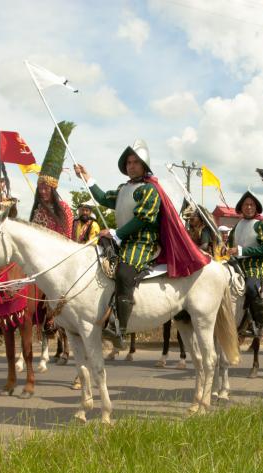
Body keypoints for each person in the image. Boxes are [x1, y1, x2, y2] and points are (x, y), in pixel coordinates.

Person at [74, 139, 208, 347]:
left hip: (142, 243)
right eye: (128, 163)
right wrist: (87, 177)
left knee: (124, 272)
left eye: (135, 162)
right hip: (122, 240)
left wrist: (116, 232)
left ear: (144, 165)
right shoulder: (123, 189)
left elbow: (143, 218)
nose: (131, 166)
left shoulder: (149, 190)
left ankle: (120, 329)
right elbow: (102, 198)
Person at [227, 192, 263, 336]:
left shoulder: (262, 225)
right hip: (237, 264)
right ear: (241, 207)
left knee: (251, 287)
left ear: (256, 207)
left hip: (256, 265)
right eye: (246, 204)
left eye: (251, 204)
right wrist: (225, 248)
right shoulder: (237, 225)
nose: (248, 207)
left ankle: (258, 323)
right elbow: (231, 245)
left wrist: (241, 250)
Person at [29, 122, 75, 239]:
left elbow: (65, 238)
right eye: (40, 188)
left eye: (46, 188)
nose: (42, 191)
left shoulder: (64, 209)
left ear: (53, 189)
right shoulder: (39, 209)